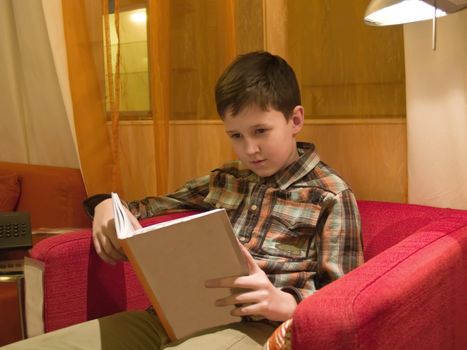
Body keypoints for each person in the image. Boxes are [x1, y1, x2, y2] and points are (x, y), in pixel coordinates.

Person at [4, 51, 363, 350]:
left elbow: (346, 301)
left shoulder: (330, 194)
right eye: (236, 136)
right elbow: (149, 206)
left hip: (256, 328)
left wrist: (282, 302)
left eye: (260, 132)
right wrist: (103, 204)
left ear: (294, 120)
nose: (249, 149)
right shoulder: (226, 179)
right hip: (169, 317)